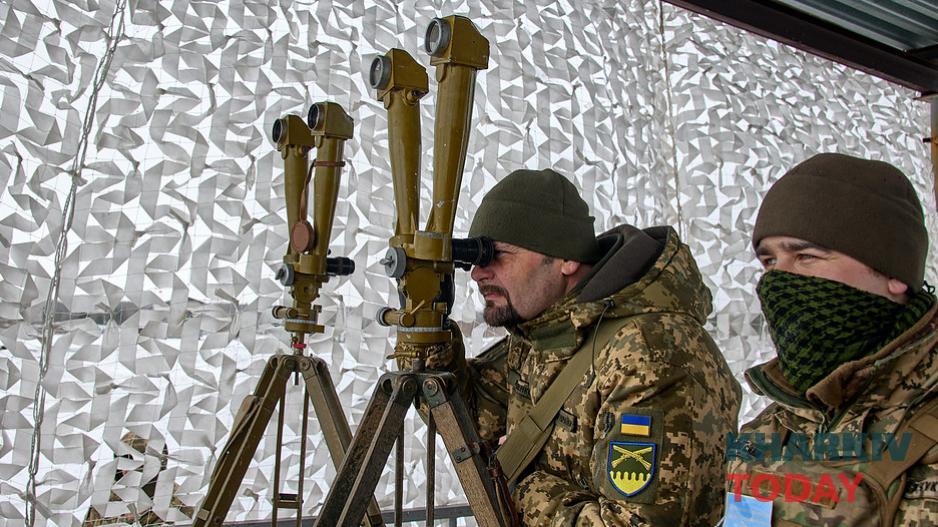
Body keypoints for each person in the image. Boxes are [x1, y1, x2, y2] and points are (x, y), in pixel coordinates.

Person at [400, 168, 741, 525]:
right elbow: (470, 419)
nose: (478, 273)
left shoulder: (649, 354)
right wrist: (429, 334)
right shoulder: (545, 334)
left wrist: (518, 482)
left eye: (497, 254)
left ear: (566, 259)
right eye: (476, 258)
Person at [725, 153, 938, 525]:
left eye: (806, 256)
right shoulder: (773, 425)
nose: (778, 280)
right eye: (769, 261)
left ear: (894, 272)